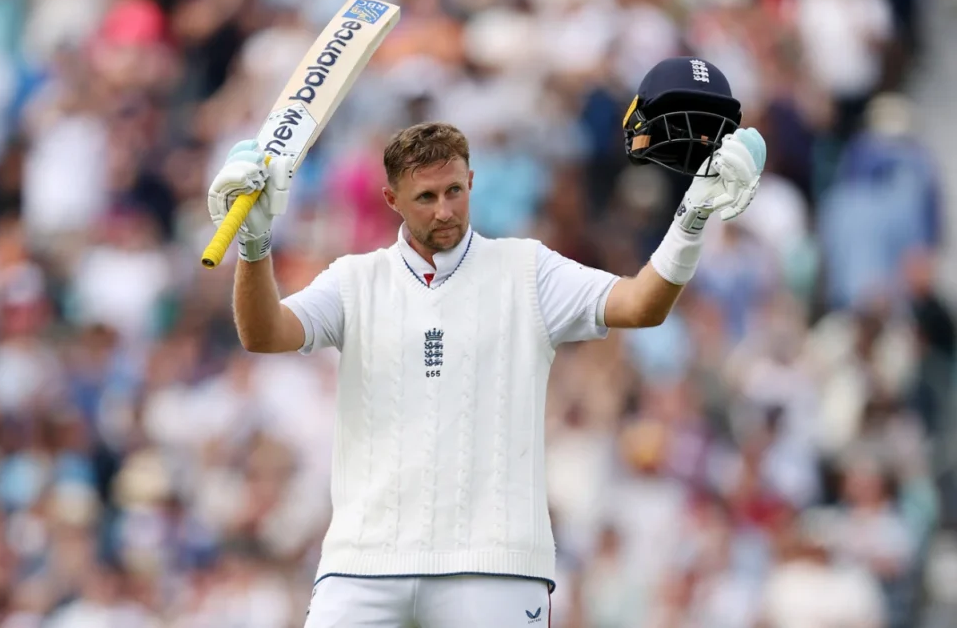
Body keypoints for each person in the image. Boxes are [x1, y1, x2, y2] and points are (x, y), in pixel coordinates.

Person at [205, 57, 766, 628]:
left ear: (472, 182)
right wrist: (254, 243)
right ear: (391, 199)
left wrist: (693, 215)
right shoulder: (356, 280)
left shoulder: (527, 269)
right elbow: (264, 334)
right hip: (364, 563)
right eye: (426, 197)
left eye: (454, 191)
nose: (445, 211)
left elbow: (642, 304)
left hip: (496, 566)